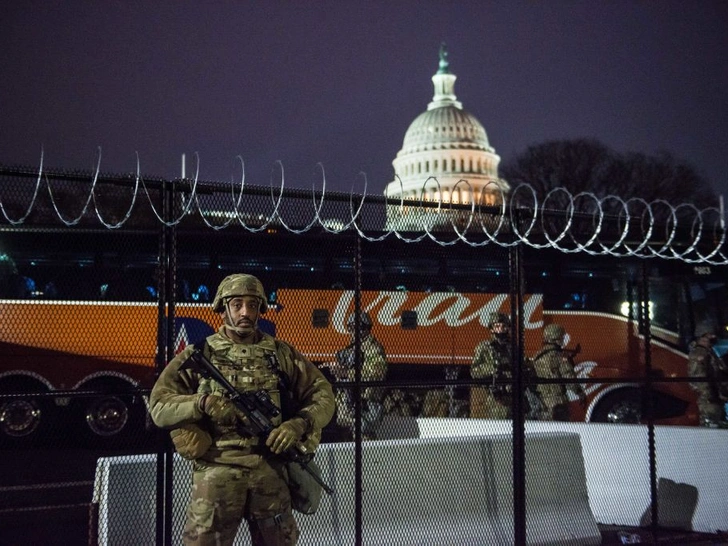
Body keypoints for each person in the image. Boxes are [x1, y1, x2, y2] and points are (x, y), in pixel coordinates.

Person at [150, 274, 335, 546]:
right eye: (237, 304)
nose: (245, 312)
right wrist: (202, 404)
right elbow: (159, 406)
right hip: (217, 470)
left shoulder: (281, 353)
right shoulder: (201, 354)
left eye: (252, 304)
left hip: (270, 469)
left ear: (261, 308)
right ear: (223, 307)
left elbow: (323, 395)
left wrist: (298, 424)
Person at [326, 311, 388, 440]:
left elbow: (376, 374)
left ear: (366, 328)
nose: (353, 331)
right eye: (351, 327)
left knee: (363, 440)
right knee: (345, 442)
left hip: (363, 404)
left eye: (357, 327)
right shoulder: (352, 348)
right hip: (346, 405)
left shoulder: (373, 349)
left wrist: (347, 373)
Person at [531, 323, 587, 421]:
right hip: (558, 399)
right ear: (557, 338)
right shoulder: (559, 356)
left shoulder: (537, 355)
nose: (563, 339)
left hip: (542, 400)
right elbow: (568, 377)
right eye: (562, 337)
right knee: (560, 428)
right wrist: (579, 392)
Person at [688, 319, 728, 428]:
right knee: (711, 427)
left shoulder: (708, 352)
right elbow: (697, 377)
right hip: (709, 402)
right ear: (702, 336)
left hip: (715, 399)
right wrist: (709, 395)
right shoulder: (698, 354)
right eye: (710, 335)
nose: (713, 337)